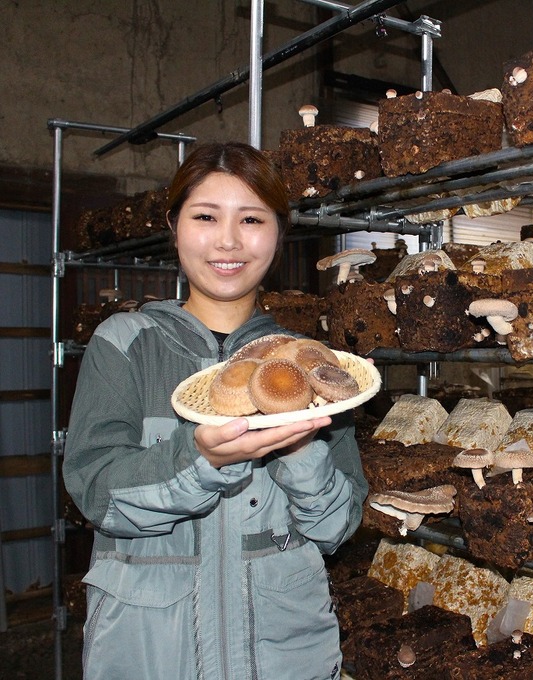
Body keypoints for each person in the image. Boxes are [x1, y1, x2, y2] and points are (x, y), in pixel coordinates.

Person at [63, 141, 367, 680]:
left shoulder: (307, 363)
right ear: (174, 225)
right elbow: (96, 495)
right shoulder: (127, 344)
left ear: (278, 233)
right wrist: (199, 461)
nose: (228, 240)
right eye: (206, 216)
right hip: (147, 651)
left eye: (252, 219)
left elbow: (337, 527)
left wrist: (301, 450)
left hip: (285, 651)